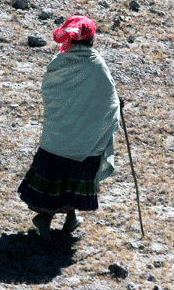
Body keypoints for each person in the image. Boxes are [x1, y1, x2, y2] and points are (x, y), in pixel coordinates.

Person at [18, 15, 120, 241]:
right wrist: (117, 107)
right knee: (75, 176)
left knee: (57, 176)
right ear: (91, 38)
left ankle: (65, 219)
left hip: (58, 135)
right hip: (85, 140)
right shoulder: (96, 64)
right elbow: (108, 101)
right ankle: (51, 219)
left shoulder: (59, 62)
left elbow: (51, 91)